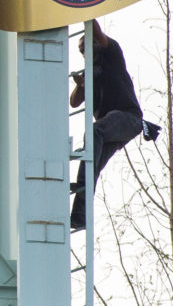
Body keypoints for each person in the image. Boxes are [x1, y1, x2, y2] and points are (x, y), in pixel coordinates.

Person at [69, 19, 143, 230]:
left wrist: (84, 8)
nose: (83, 52)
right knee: (92, 164)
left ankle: (83, 184)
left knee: (94, 133)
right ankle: (80, 216)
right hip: (109, 131)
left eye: (86, 46)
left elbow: (96, 29)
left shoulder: (111, 54)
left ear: (97, 43)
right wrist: (81, 86)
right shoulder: (90, 74)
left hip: (128, 118)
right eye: (80, 50)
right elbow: (74, 102)